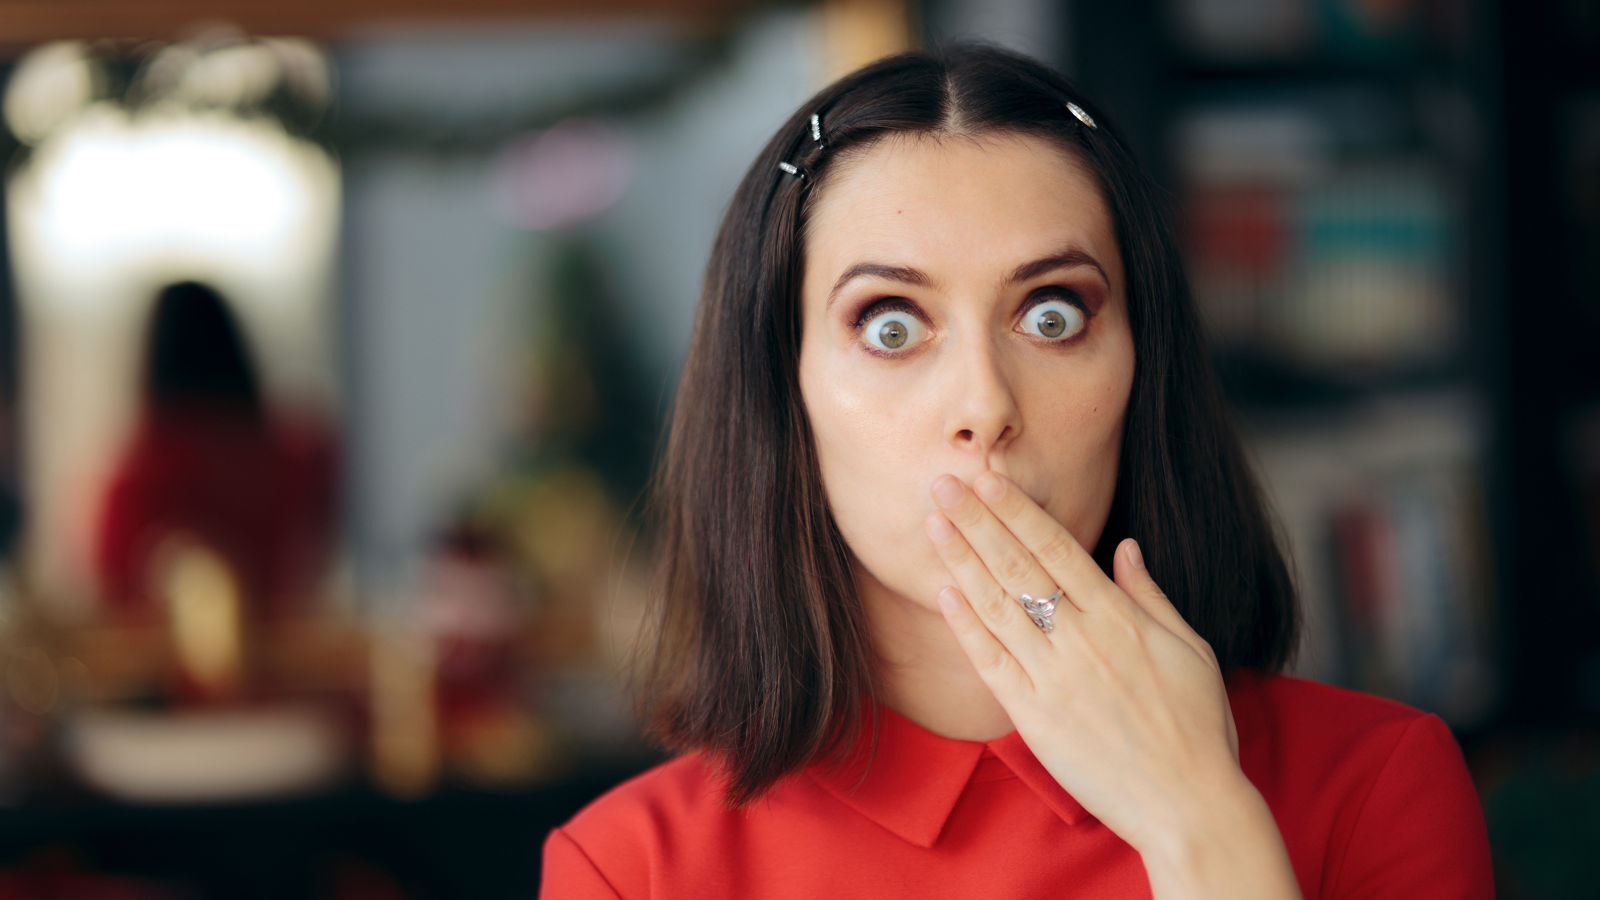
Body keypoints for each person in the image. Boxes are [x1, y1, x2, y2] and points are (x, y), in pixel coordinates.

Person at [539, 45, 1493, 898]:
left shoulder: (1375, 785)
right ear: (782, 392)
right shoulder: (631, 870)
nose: (986, 403)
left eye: (1052, 316)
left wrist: (1199, 821)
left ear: (1143, 367)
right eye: (890, 326)